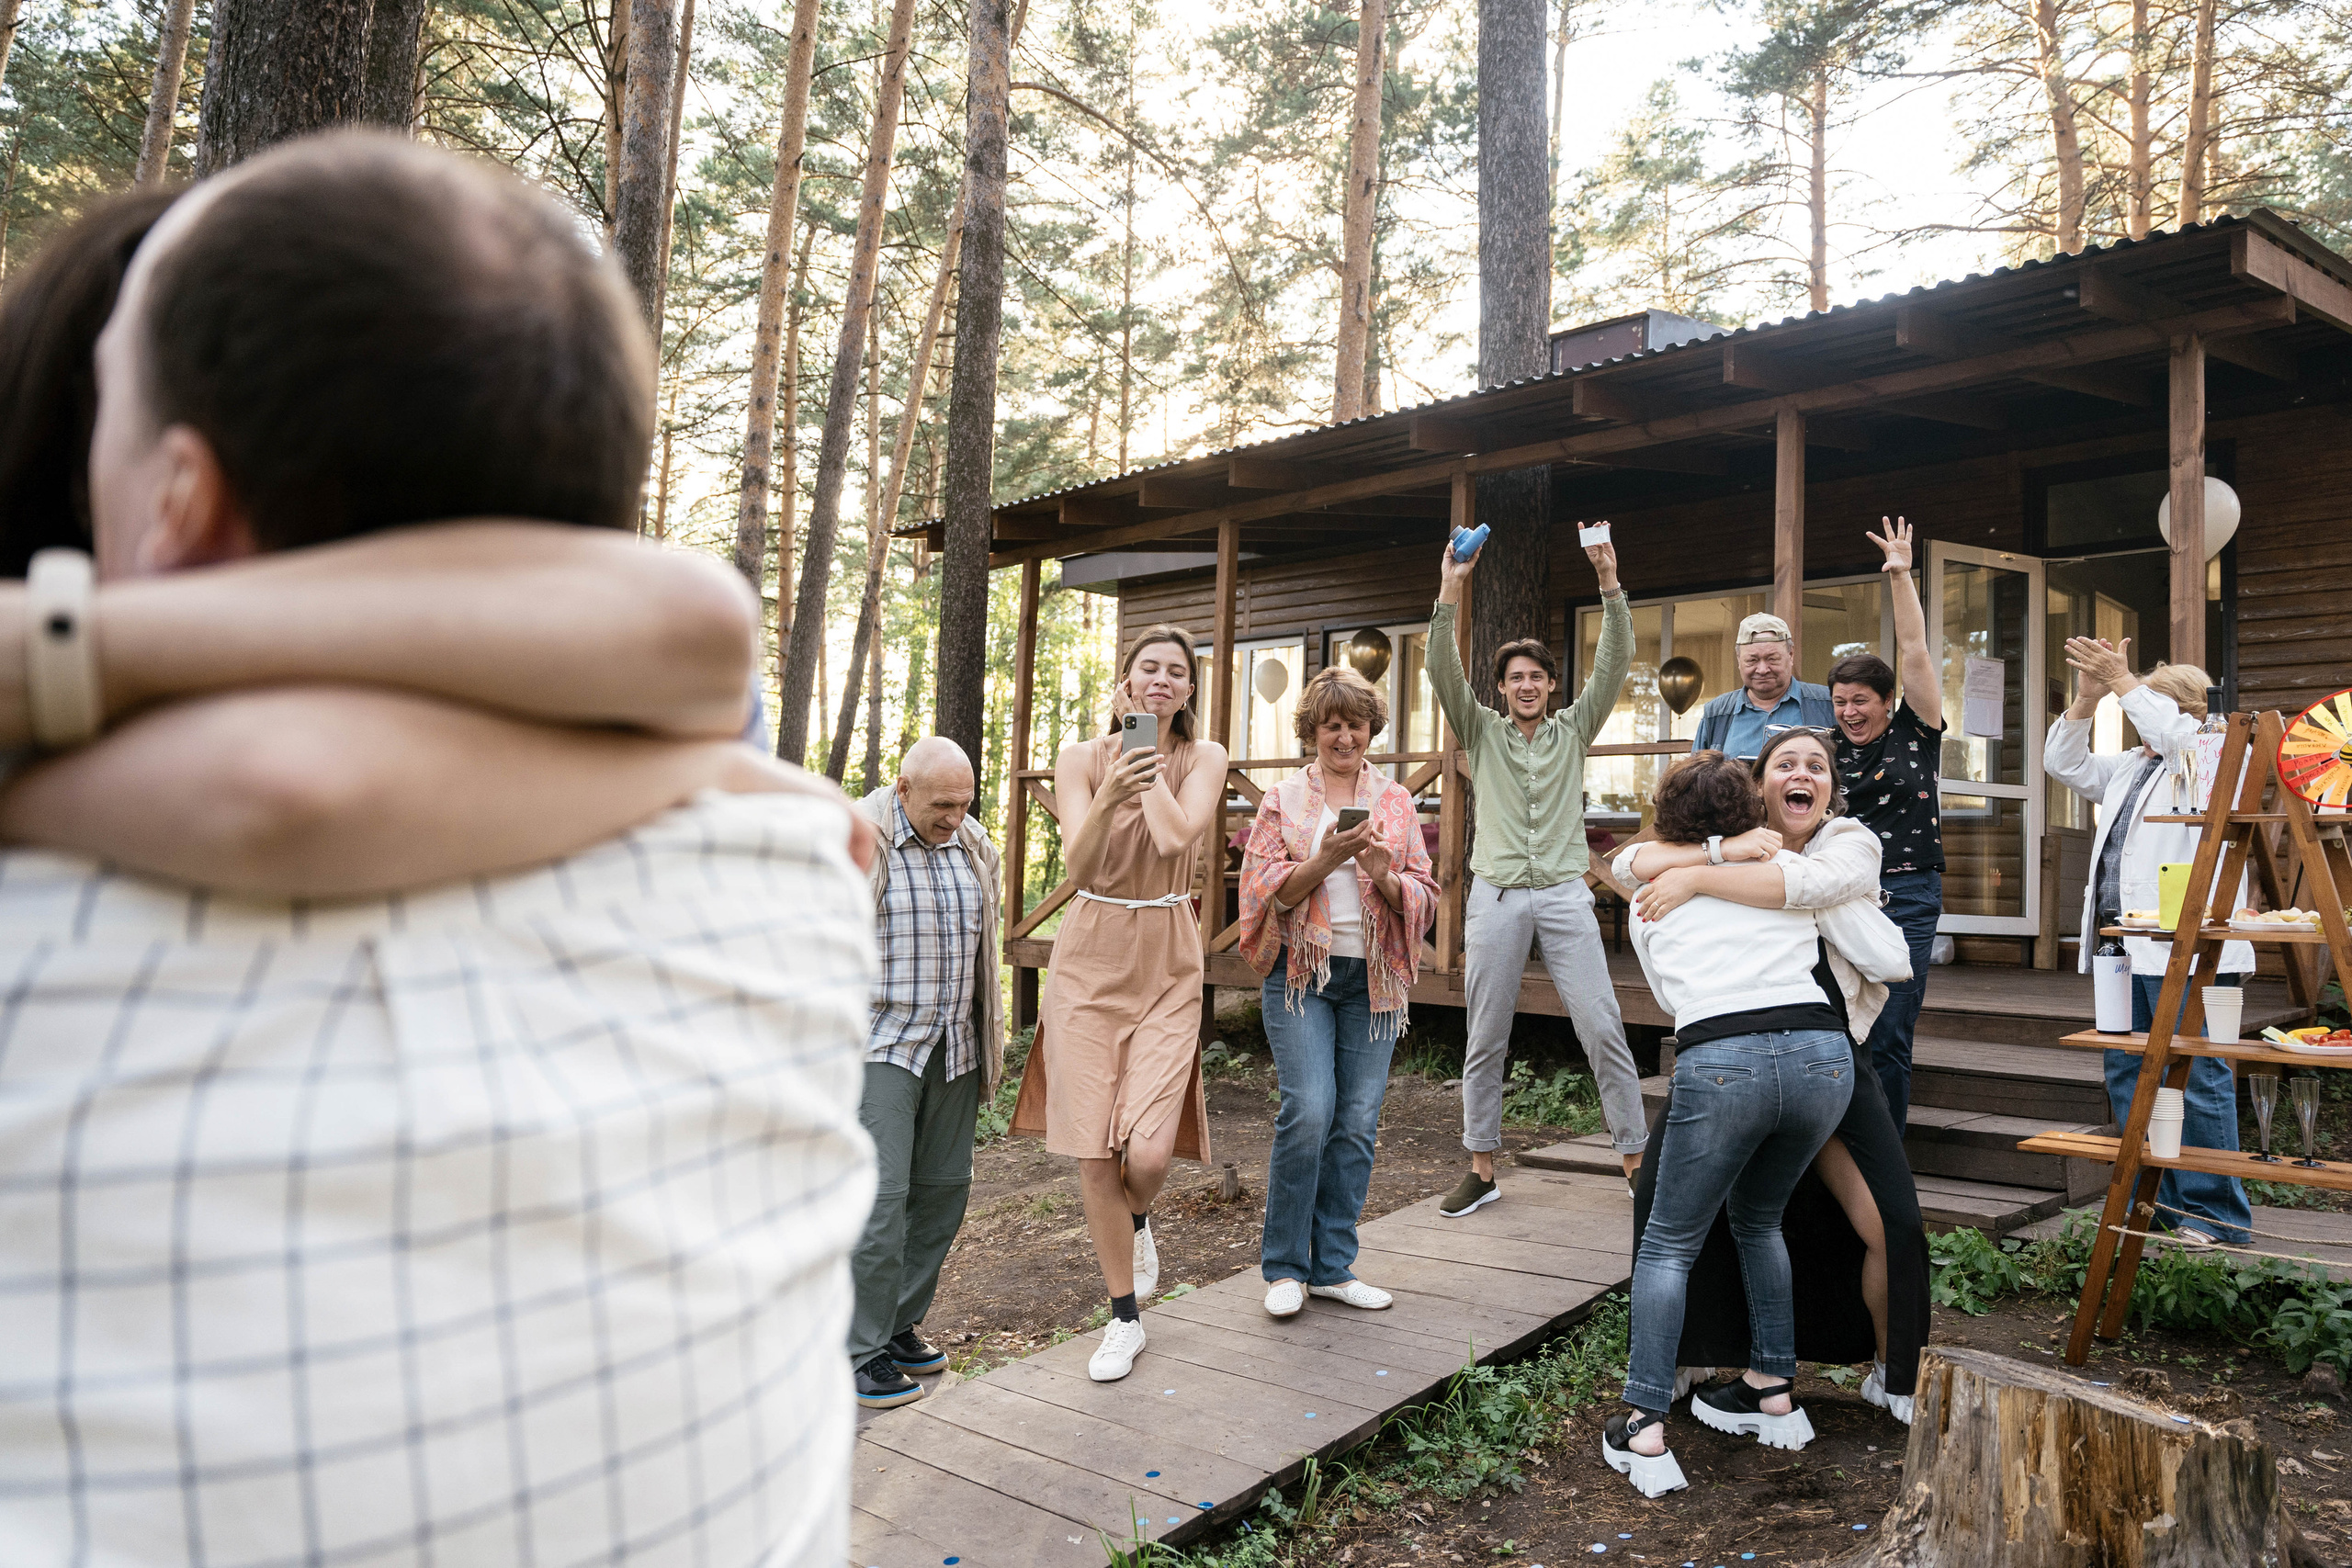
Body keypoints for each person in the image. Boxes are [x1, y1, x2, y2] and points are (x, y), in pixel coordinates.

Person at [0, 133, 876, 1568]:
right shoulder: (791, 862)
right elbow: (686, 636)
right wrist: (701, 758)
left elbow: (296, 783)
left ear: (174, 498)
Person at [0, 186, 868, 897]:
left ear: (184, 494)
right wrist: (692, 782)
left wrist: (77, 647)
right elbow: (281, 790)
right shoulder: (656, 735)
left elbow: (700, 628)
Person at [1617, 728, 1928, 1426]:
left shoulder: (1848, 840)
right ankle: (1685, 1359)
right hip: (1741, 1039)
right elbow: (1626, 861)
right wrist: (1717, 852)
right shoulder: (1743, 841)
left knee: (1891, 1218)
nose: (1802, 773)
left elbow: (1805, 883)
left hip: (1832, 1043)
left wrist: (1697, 874)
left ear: (1829, 787)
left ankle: (1896, 1373)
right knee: (1672, 1206)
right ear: (1759, 785)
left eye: (1816, 765)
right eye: (1785, 762)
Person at [1600, 750, 1873, 1495]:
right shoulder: (1778, 870)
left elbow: (1666, 990)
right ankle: (1774, 1391)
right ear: (1750, 810)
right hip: (1823, 1056)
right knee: (1759, 1219)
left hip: (1725, 1056)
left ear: (1667, 816)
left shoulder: (1651, 892)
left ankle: (1645, 1427)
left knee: (1667, 1243)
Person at [1429, 530, 1645, 1217]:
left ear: (1552, 685)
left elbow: (1614, 662)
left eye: (1536, 676)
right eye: (1514, 677)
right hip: (1494, 897)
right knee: (1485, 1034)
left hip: (1561, 895)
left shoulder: (1574, 730)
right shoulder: (1482, 730)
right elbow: (1441, 669)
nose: (1525, 685)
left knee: (1602, 1024)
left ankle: (1637, 1163)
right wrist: (1450, 588)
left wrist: (1610, 582)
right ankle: (1482, 1167)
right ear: (1501, 688)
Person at [1032, 625, 1227, 1382]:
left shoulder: (1203, 757)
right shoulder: (1081, 757)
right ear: (1126, 678)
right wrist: (1111, 779)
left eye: (1175, 672)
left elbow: (1178, 836)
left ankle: (1139, 1216)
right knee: (1092, 1149)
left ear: (1186, 691)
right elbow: (1078, 862)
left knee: (1147, 1152)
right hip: (1089, 955)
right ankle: (1123, 1319)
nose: (1161, 680)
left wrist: (1142, 771)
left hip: (1167, 953)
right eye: (1149, 667)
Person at [1238, 665, 1440, 1318]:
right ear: (1314, 731)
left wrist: (1383, 873)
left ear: (1370, 728)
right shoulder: (1282, 799)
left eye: (1355, 724)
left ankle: (1332, 1265)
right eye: (1332, 725)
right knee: (1310, 1109)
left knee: (1355, 1122)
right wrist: (1325, 857)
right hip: (1302, 974)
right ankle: (1285, 1268)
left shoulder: (1397, 800)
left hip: (1373, 979)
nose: (1345, 735)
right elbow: (1264, 890)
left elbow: (1425, 896)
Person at [2046, 640, 2252, 1247]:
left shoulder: (2207, 752)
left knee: (2197, 1073)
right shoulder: (2135, 765)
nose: (2134, 714)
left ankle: (2215, 1215)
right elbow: (2065, 763)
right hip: (2119, 946)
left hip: (2188, 950)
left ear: (2185, 709)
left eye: (2144, 703)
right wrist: (2086, 699)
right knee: (2127, 1071)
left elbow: (2179, 739)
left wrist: (2122, 678)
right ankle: (2155, 1205)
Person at [845, 737, 1003, 1409]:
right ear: (902, 788)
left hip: (953, 1045)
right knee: (880, 1202)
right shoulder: (859, 838)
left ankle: (898, 1322)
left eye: (965, 803)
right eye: (942, 805)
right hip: (880, 1043)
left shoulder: (972, 843)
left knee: (944, 1190)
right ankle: (858, 1348)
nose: (954, 817)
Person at [1828, 517, 1946, 1131]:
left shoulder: (1915, 731)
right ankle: (1840, 1144)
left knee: (1892, 1029)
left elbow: (1917, 651)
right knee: (1842, 1023)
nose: (1850, 712)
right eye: (1841, 701)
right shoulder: (1822, 750)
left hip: (1908, 894)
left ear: (1885, 699)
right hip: (1841, 897)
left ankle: (1887, 1155)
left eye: (1861, 701)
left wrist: (1901, 575)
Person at [1689, 613, 1835, 760]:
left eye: (1772, 659)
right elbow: (1697, 777)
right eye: (1752, 660)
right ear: (1739, 660)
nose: (1763, 669)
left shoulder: (1827, 704)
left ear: (1791, 655)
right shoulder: (1717, 713)